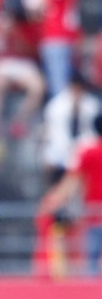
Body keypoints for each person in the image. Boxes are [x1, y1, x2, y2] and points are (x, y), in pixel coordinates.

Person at [40, 113, 102, 275]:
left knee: (92, 261)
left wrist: (53, 202)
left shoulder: (88, 152)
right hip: (94, 213)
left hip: (94, 212)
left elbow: (72, 181)